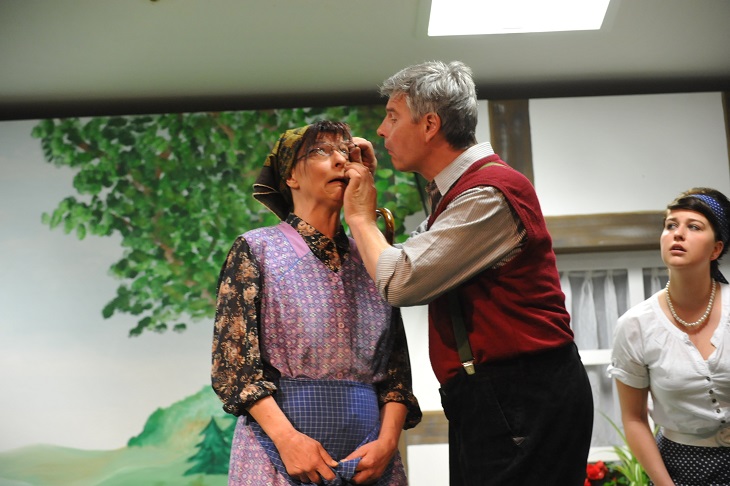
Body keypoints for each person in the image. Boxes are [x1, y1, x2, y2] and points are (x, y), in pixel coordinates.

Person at [342, 60, 594, 485]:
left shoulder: (489, 193)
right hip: (498, 395)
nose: (382, 131)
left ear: (430, 125)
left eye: (392, 116)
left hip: (522, 393)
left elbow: (400, 280)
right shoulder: (459, 193)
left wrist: (360, 218)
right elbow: (405, 261)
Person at [211, 120, 421, 486]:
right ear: (290, 175)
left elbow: (396, 374)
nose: (340, 160)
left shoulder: (373, 258)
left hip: (370, 458)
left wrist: (388, 443)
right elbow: (235, 367)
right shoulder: (258, 249)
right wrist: (288, 441)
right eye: (321, 151)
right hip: (278, 454)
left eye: (345, 151)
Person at [607, 187, 730, 485]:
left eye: (694, 227)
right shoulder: (635, 325)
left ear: (716, 249)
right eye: (671, 225)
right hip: (678, 468)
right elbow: (634, 418)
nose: (678, 234)